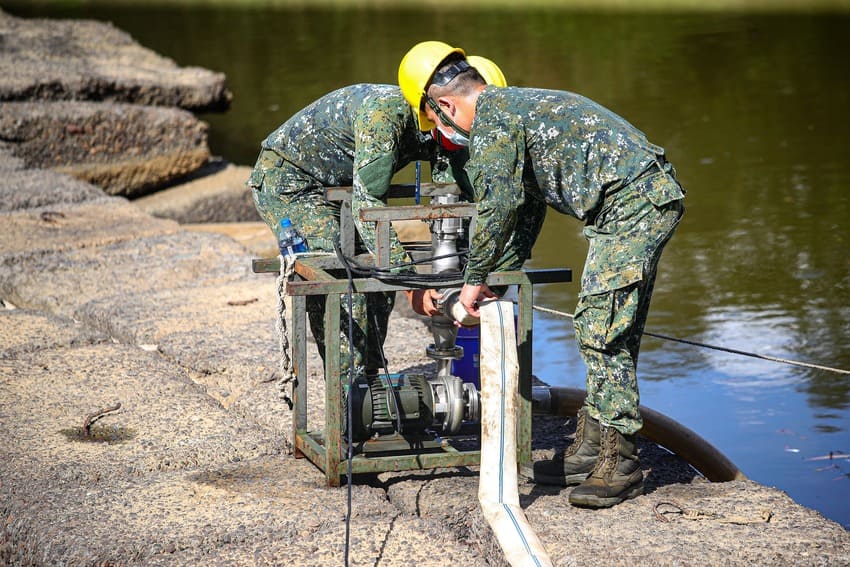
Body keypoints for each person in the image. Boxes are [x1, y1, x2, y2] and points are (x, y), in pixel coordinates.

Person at [398, 41, 685, 508]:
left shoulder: (492, 123)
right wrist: (497, 278)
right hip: (638, 201)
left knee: (601, 326)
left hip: (634, 204)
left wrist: (471, 285)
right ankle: (591, 448)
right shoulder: (510, 111)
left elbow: (498, 208)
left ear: (444, 104)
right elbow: (526, 210)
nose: (442, 132)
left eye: (434, 121)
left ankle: (622, 462)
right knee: (608, 325)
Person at [249, 59, 506, 380]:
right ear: (445, 104)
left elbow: (454, 192)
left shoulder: (443, 125)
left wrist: (476, 268)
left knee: (380, 278)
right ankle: (349, 395)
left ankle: (371, 380)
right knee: (339, 277)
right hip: (292, 180)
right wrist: (412, 285)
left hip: (341, 186)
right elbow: (367, 201)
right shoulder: (384, 116)